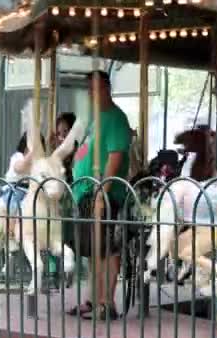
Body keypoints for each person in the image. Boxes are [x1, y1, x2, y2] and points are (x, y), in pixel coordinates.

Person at [67, 71, 131, 320]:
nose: (91, 94)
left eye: (95, 89)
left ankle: (107, 303)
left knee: (106, 248)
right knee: (93, 250)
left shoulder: (115, 119)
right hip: (85, 192)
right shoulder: (94, 119)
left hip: (104, 194)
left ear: (106, 89)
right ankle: (93, 299)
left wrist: (100, 192)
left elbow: (115, 156)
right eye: (89, 90)